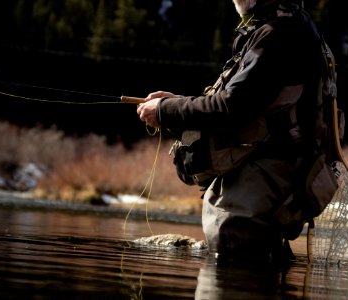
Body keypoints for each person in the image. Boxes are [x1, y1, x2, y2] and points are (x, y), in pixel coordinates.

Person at [136, 0, 325, 265]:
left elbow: (231, 106)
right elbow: (241, 102)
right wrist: (174, 104)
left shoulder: (279, 33)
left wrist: (168, 109)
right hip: (264, 179)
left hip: (263, 182)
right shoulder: (286, 26)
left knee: (236, 258)